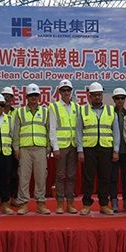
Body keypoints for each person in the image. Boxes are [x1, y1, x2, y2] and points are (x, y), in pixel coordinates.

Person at [77, 82, 120, 215]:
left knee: (104, 177)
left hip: (106, 148)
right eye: (94, 95)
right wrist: (80, 150)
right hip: (89, 148)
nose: (97, 97)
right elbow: (78, 131)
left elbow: (116, 132)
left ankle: (104, 204)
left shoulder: (110, 111)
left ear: (102, 96)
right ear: (89, 96)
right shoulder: (83, 110)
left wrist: (116, 150)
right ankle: (86, 205)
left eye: (99, 95)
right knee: (88, 178)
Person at [13, 83, 50, 215]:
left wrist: (48, 147)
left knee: (41, 177)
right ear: (26, 97)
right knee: (23, 177)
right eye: (31, 95)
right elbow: (15, 131)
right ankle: (23, 203)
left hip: (40, 149)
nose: (33, 97)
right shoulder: (20, 112)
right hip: (25, 149)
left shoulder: (45, 111)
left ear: (39, 96)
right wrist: (16, 148)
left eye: (36, 95)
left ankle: (40, 203)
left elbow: (49, 130)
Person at [48, 79, 79, 214]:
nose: (66, 92)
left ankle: (70, 203)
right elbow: (52, 129)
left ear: (71, 91)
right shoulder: (54, 107)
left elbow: (79, 128)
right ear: (59, 92)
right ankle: (60, 203)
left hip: (73, 146)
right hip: (61, 147)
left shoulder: (77, 107)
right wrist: (55, 147)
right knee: (60, 175)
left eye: (68, 90)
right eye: (63, 90)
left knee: (71, 175)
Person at [110, 87, 126, 212]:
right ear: (114, 99)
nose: (120, 100)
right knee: (112, 178)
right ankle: (114, 201)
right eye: (117, 98)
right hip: (112, 152)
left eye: (122, 98)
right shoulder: (109, 113)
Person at [2, 86, 20, 205]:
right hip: (1, 147)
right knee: (2, 174)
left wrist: (17, 147)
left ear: (13, 99)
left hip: (14, 147)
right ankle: (1, 197)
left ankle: (13, 197)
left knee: (14, 174)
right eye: (5, 96)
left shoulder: (17, 112)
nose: (7, 99)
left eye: (9, 96)